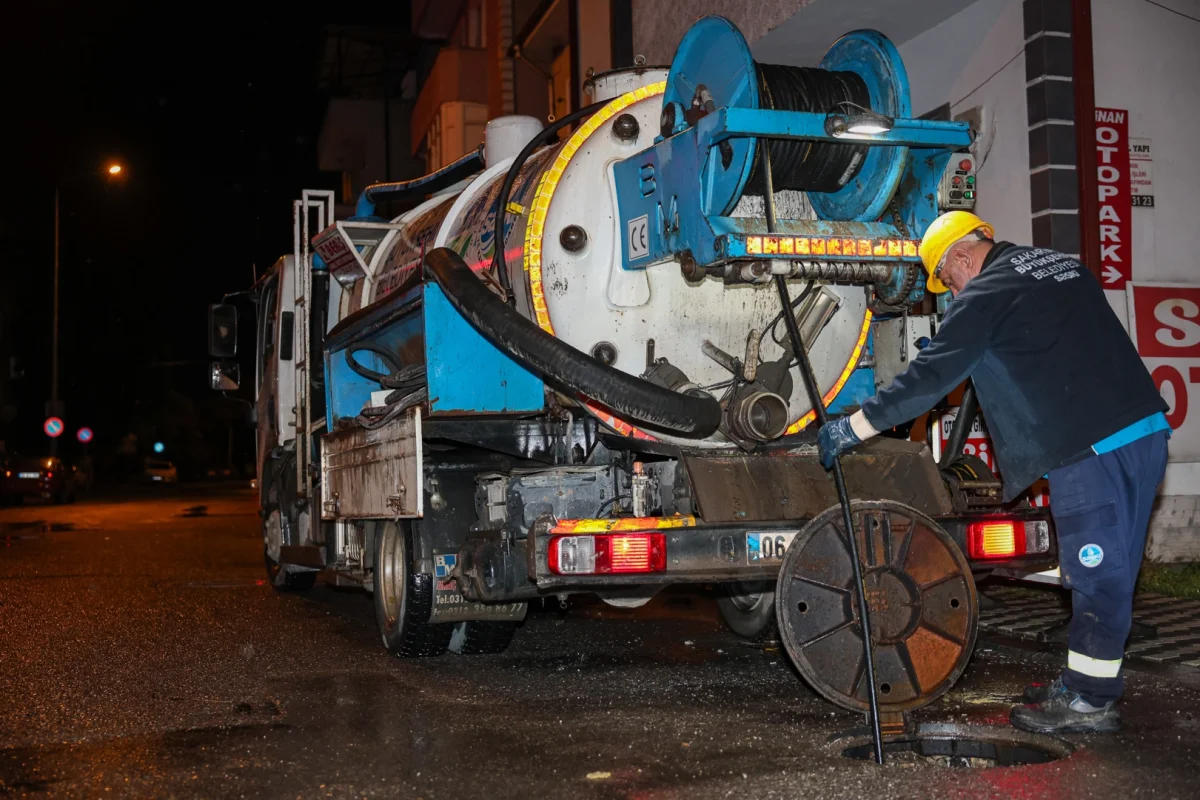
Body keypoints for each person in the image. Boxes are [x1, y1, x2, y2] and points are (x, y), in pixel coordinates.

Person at [818, 210, 1169, 735]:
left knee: (1097, 575)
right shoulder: (1058, 265)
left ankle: (1089, 701)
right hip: (1142, 431)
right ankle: (1083, 682)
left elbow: (929, 379)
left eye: (949, 282)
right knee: (1114, 572)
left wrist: (856, 427)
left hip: (1093, 448)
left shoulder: (985, 295)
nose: (953, 294)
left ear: (961, 257)